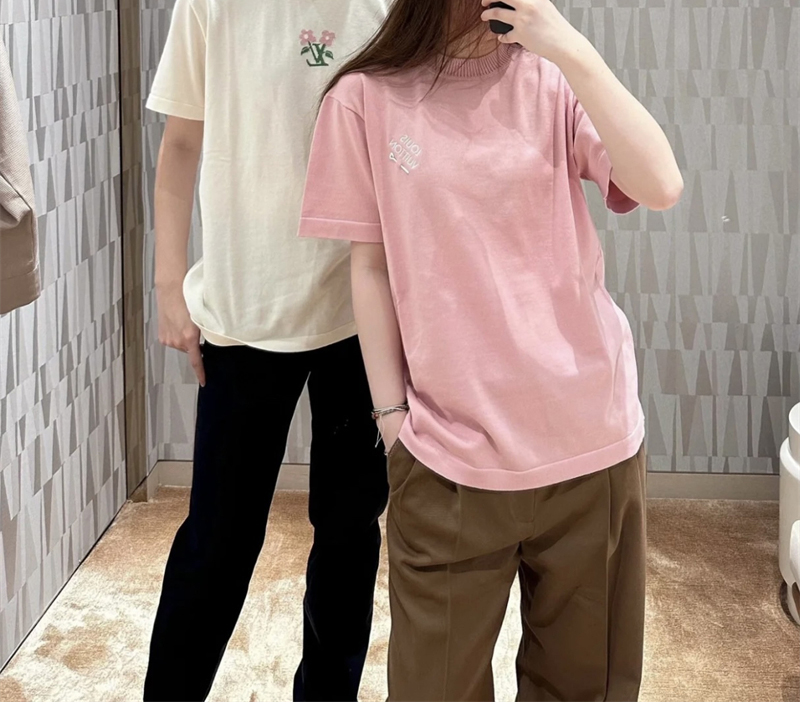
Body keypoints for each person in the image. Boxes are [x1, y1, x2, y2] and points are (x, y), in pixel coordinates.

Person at [300, 0, 683, 702]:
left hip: (590, 448)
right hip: (447, 457)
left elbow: (661, 185)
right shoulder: (362, 99)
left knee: (585, 693)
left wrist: (569, 45)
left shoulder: (552, 77)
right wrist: (393, 422)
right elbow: (371, 267)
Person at [142, 0, 390, 702]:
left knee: (349, 533)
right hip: (243, 310)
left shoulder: (392, 6)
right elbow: (181, 143)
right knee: (218, 539)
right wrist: (168, 288)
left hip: (361, 313)